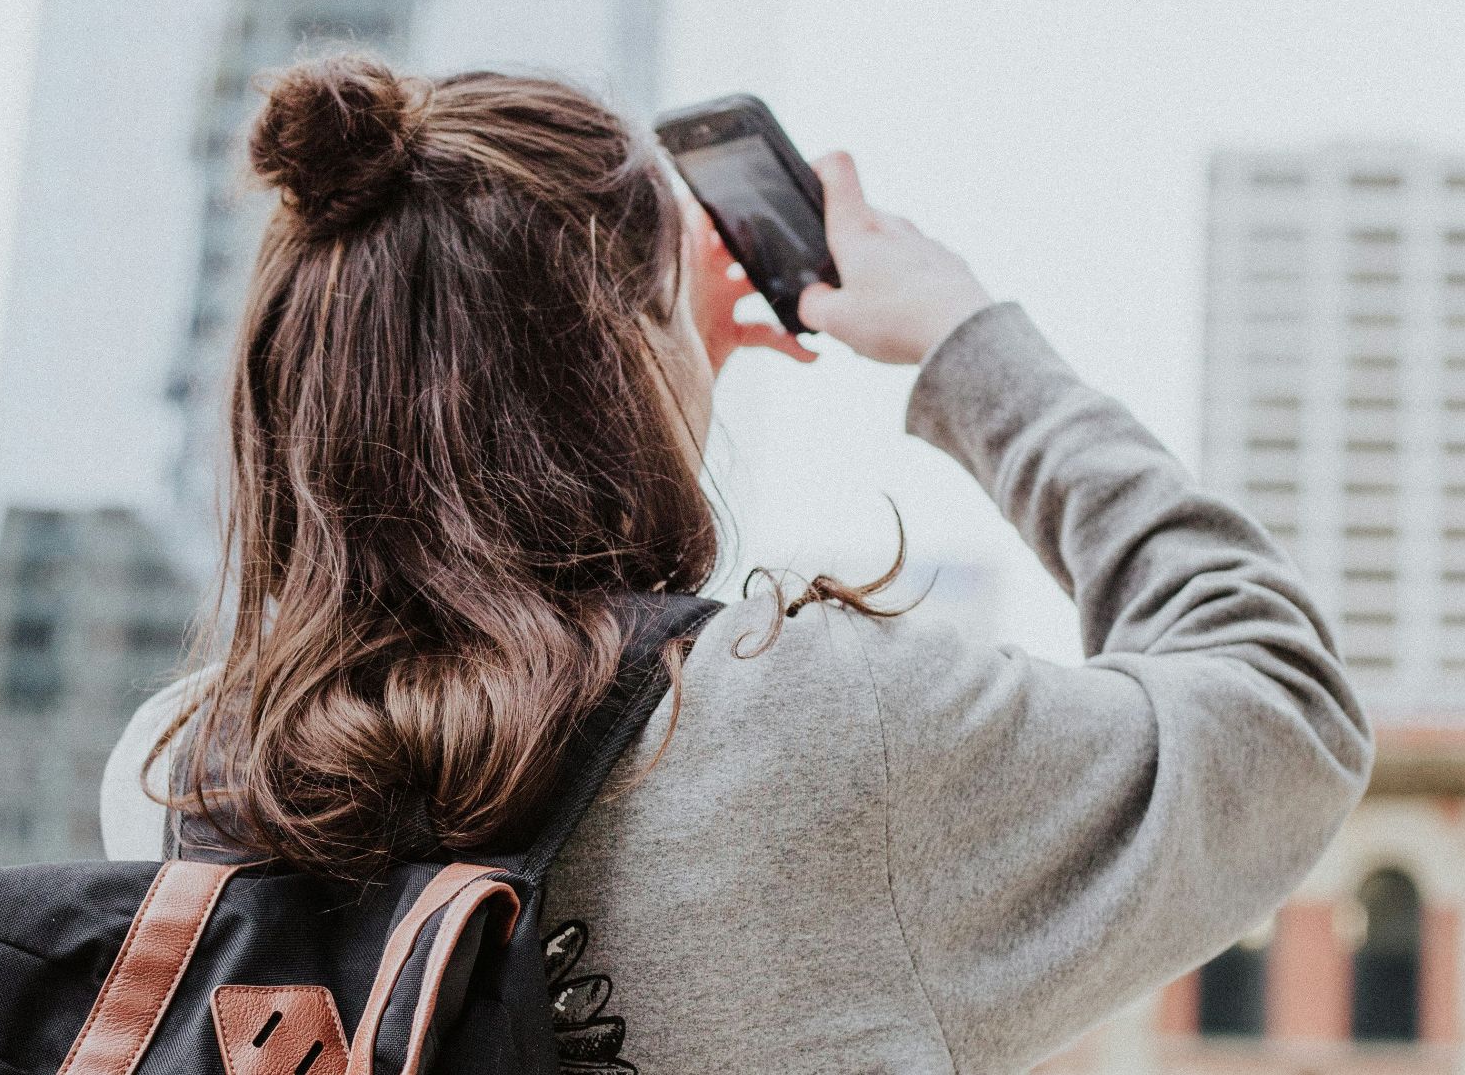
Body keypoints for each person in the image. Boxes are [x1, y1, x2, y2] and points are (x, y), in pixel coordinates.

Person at [102, 55, 1371, 1074]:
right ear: (620, 358)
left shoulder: (176, 776)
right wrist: (961, 339)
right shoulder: (816, 726)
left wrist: (663, 353)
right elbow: (1282, 711)